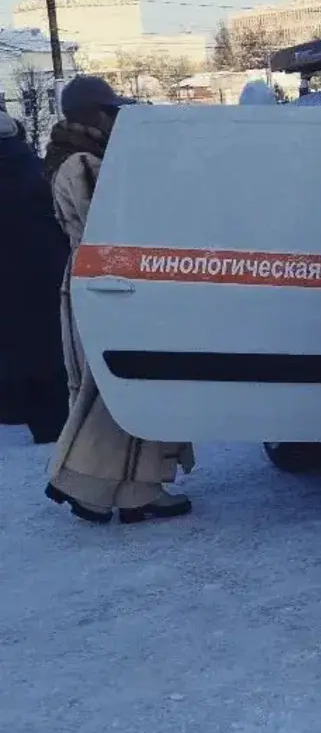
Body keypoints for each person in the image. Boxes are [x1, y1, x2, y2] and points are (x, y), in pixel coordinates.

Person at [44, 75, 195, 525]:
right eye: (109, 112)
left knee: (118, 386)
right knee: (122, 386)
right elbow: (110, 227)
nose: (114, 119)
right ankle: (92, 485)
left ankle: (131, 489)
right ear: (92, 114)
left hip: (97, 278)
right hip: (111, 280)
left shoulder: (70, 157)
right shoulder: (86, 163)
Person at [0, 113, 70, 443]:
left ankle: (12, 407)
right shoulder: (38, 171)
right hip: (46, 273)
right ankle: (53, 422)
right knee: (47, 344)